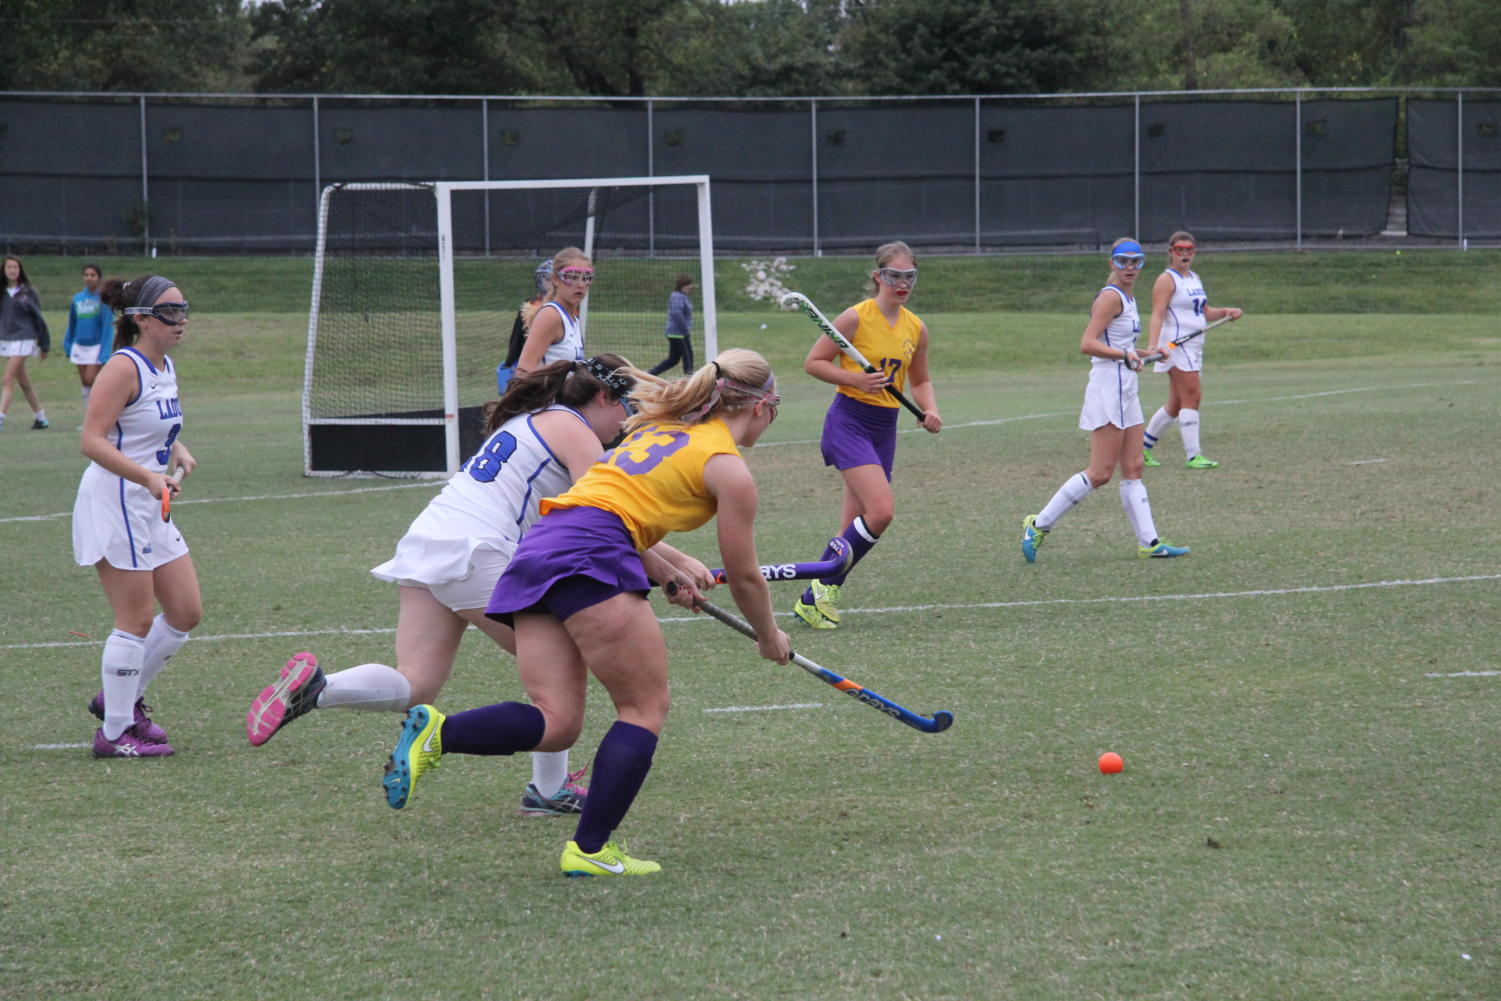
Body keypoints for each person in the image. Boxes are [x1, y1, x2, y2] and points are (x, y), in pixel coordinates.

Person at [379, 349, 789, 877]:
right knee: (644, 707)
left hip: (540, 547)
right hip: (592, 553)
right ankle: (590, 850)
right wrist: (768, 635)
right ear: (761, 406)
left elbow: (613, 510)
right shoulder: (728, 469)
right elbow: (747, 576)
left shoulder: (654, 430)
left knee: (557, 723)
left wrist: (666, 572)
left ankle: (439, 733)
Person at [245, 354, 712, 815]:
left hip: (432, 542)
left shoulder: (537, 419)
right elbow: (607, 520)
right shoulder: (574, 430)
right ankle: (546, 791)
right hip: (477, 551)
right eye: (626, 411)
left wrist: (677, 560)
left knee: (415, 683)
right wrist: (667, 571)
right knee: (565, 664)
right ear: (605, 397)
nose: (624, 427)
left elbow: (603, 523)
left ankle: (319, 688)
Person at [73, 274, 200, 757]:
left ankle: (118, 700)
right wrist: (147, 477)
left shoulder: (163, 364)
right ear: (141, 319)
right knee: (136, 618)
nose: (181, 318)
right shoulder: (122, 367)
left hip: (149, 500)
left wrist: (177, 450)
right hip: (117, 500)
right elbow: (92, 440)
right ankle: (114, 735)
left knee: (185, 611)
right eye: (170, 311)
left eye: (184, 308)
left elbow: (148, 421)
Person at [792, 241, 942, 630]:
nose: (902, 283)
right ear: (878, 277)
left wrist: (930, 409)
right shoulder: (854, 318)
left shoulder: (916, 327)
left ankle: (813, 599)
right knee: (881, 512)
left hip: (885, 427)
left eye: (910, 276)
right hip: (850, 420)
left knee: (852, 525)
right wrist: (856, 378)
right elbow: (814, 363)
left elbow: (920, 379)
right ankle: (824, 587)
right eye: (894, 276)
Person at [1020, 240, 1190, 563]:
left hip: (1126, 386)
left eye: (1136, 262)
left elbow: (1122, 346)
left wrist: (1147, 353)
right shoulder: (1110, 297)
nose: (1130, 267)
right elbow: (1087, 343)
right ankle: (1037, 524)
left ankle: (1150, 542)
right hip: (1107, 387)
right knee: (1100, 473)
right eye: (1123, 261)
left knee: (1134, 466)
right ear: (1111, 262)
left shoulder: (1128, 297)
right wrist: (1125, 354)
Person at [1142, 231, 1244, 469]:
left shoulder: (1194, 278)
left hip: (1195, 345)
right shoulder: (1167, 280)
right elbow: (1157, 314)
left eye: (1189, 250)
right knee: (1192, 396)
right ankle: (1193, 455)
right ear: (1171, 252)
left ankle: (1141, 450)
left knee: (1176, 404)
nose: (1185, 254)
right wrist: (1152, 346)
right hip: (1176, 345)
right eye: (1180, 250)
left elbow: (1204, 311)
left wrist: (1226, 311)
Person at [513, 247, 591, 375]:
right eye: (572, 276)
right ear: (555, 279)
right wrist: (554, 392)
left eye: (586, 277)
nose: (581, 284)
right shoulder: (551, 315)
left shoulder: (574, 320)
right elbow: (523, 371)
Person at [0, 255, 51, 431]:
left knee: (7, 379)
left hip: (25, 338)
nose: (12, 270)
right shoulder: (2, 292)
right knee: (23, 381)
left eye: (15, 267)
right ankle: (41, 418)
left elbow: (39, 318)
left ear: (20, 270)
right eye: (9, 267)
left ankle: (0, 417)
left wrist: (44, 344)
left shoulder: (28, 292)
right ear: (4, 271)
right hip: (7, 340)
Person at [496, 259, 552, 393]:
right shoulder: (529, 307)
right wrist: (510, 363)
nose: (549, 284)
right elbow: (517, 337)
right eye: (547, 279)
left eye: (552, 279)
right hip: (532, 368)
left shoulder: (568, 310)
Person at [64, 263, 114, 411]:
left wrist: (105, 351)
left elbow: (107, 326)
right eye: (86, 275)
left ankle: (105, 411)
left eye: (92, 275)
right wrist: (68, 343)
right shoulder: (77, 298)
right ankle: (88, 418)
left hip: (96, 346)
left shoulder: (103, 300)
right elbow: (72, 323)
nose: (89, 278)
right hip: (79, 345)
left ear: (99, 278)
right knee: (85, 384)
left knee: (90, 379)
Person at [648, 274, 695, 376]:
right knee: (688, 356)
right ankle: (690, 378)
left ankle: (650, 374)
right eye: (689, 285)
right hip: (678, 333)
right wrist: (685, 329)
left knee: (673, 359)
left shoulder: (681, 296)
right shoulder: (677, 297)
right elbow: (676, 314)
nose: (691, 287)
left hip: (678, 333)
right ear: (683, 286)